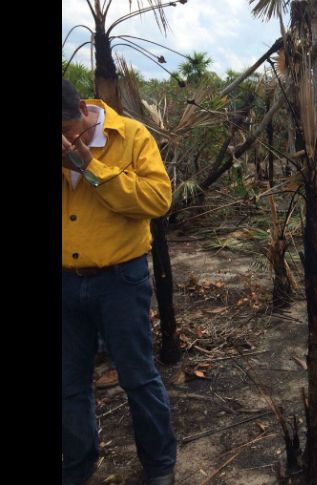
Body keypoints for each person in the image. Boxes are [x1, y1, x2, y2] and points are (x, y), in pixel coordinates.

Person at [61, 79, 177, 485]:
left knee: (137, 375)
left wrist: (90, 169)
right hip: (65, 282)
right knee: (69, 381)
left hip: (119, 281)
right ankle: (76, 464)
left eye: (67, 133)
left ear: (81, 113)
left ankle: (159, 465)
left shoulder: (130, 135)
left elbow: (157, 200)